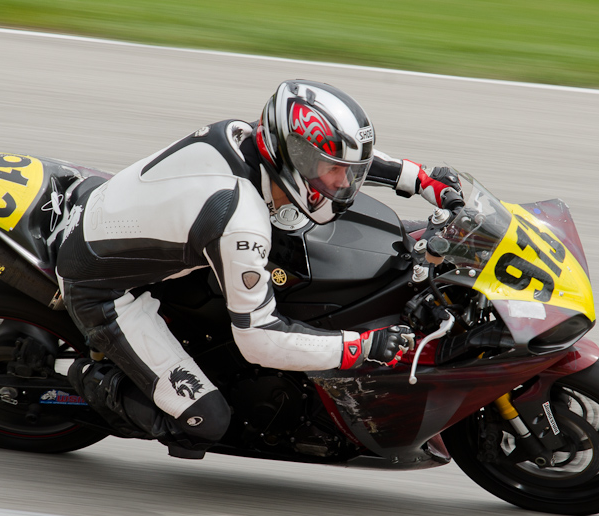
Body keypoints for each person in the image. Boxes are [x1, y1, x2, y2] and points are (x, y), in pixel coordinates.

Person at [57, 79, 462, 458]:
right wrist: (359, 347)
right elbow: (259, 338)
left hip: (139, 223)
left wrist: (422, 179)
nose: (343, 183)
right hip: (106, 290)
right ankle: (94, 381)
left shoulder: (256, 138)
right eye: (334, 171)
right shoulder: (240, 218)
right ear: (296, 158)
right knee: (207, 420)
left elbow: (334, 157)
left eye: (347, 171)